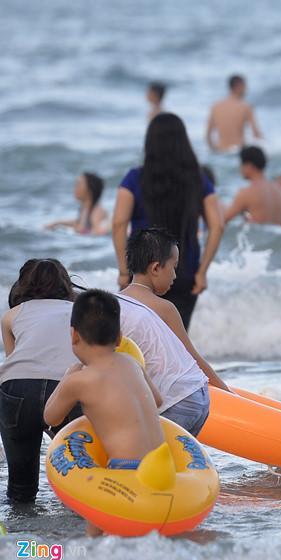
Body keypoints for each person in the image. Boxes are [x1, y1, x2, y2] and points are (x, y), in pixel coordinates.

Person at [43, 289, 164, 536]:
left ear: (74, 335)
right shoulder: (132, 364)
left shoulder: (79, 380)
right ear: (119, 338)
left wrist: (68, 377)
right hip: (162, 467)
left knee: (94, 532)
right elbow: (158, 400)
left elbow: (50, 417)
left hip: (126, 471)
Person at [113, 113, 224, 329]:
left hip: (144, 273)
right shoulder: (198, 179)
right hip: (184, 272)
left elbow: (118, 223)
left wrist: (124, 270)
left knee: (140, 342)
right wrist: (202, 272)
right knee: (178, 343)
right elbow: (217, 225)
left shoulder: (134, 178)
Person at [118, 228, 231, 434]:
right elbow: (192, 356)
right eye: (174, 267)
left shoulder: (114, 306)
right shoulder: (164, 308)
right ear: (155, 268)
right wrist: (227, 392)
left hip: (172, 399)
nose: (175, 275)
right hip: (192, 397)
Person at [0, 260, 83, 502]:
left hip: (17, 390)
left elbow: (15, 361)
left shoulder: (11, 315)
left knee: (20, 486)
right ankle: (80, 534)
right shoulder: (79, 312)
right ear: (65, 284)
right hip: (67, 387)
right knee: (78, 473)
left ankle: (19, 535)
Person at [224, 146, 281, 226]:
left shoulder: (247, 193)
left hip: (256, 237)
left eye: (241, 164)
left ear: (249, 165)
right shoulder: (280, 191)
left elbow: (223, 220)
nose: (240, 168)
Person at [206, 75, 263, 152]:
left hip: (220, 151)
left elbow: (208, 135)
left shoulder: (216, 106)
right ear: (239, 86)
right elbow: (256, 134)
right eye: (245, 86)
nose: (246, 90)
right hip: (239, 150)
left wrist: (214, 150)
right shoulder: (245, 107)